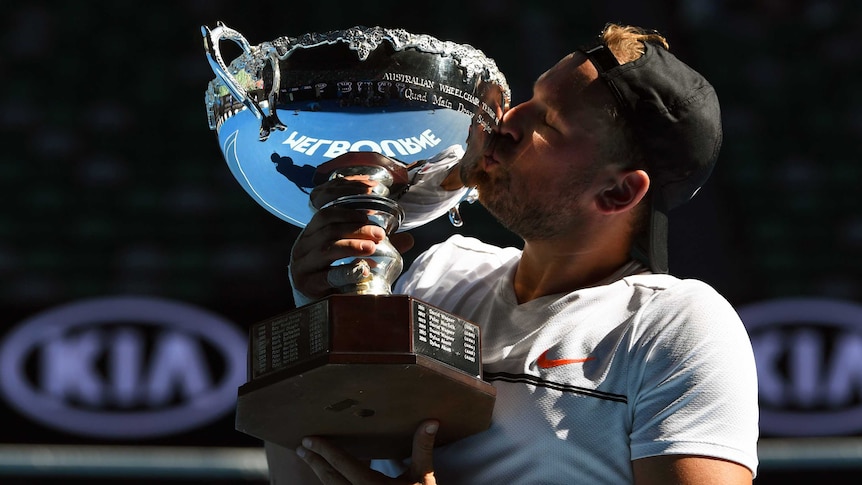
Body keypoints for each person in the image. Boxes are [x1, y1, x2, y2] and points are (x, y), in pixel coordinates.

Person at [266, 23, 759, 484]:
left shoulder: (675, 323)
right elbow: (305, 469)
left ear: (618, 193)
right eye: (528, 98)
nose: (505, 121)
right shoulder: (441, 273)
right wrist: (317, 313)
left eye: (551, 122)